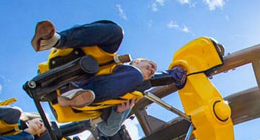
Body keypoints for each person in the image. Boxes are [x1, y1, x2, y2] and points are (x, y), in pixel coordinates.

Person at [30, 20, 185, 110]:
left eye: (153, 70)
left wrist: (118, 113)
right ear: (137, 61)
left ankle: (73, 93)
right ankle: (53, 40)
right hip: (68, 62)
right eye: (150, 65)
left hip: (85, 93)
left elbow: (109, 129)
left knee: (138, 79)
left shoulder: (135, 88)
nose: (151, 70)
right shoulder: (116, 63)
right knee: (116, 32)